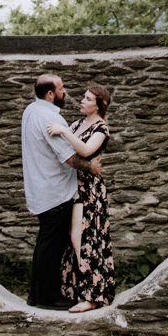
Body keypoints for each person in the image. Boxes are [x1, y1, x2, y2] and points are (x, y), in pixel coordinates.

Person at [50, 83, 114, 311]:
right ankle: (76, 291)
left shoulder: (101, 127)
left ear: (99, 106)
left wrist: (65, 132)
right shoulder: (78, 123)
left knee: (84, 239)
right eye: (84, 98)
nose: (82, 101)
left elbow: (86, 151)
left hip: (89, 189)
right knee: (72, 238)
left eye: (88, 99)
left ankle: (93, 295)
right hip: (72, 185)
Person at [19, 72, 78, 309]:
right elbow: (69, 158)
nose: (65, 93)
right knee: (52, 247)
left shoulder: (30, 111)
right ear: (51, 93)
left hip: (40, 188)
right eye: (62, 88)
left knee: (45, 243)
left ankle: (36, 295)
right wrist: (91, 166)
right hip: (56, 191)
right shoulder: (48, 118)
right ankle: (48, 298)